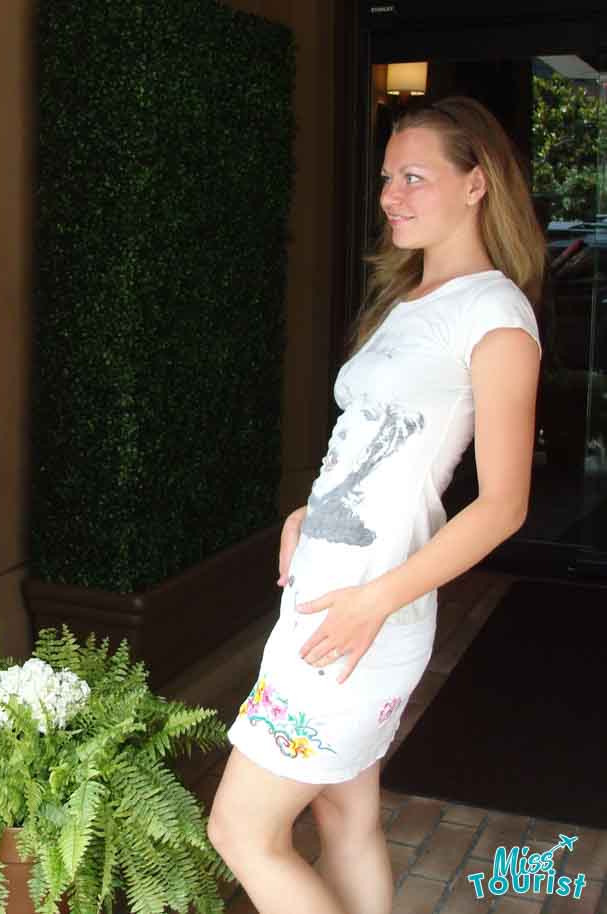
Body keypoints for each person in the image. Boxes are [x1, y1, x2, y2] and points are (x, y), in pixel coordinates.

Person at [208, 96, 543, 914]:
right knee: (345, 815)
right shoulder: (408, 303)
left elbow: (502, 506)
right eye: (389, 176)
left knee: (240, 832)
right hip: (334, 597)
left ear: (476, 184)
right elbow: (371, 450)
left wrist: (371, 604)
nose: (392, 193)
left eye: (416, 176)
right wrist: (304, 514)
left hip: (360, 615)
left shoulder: (494, 316)